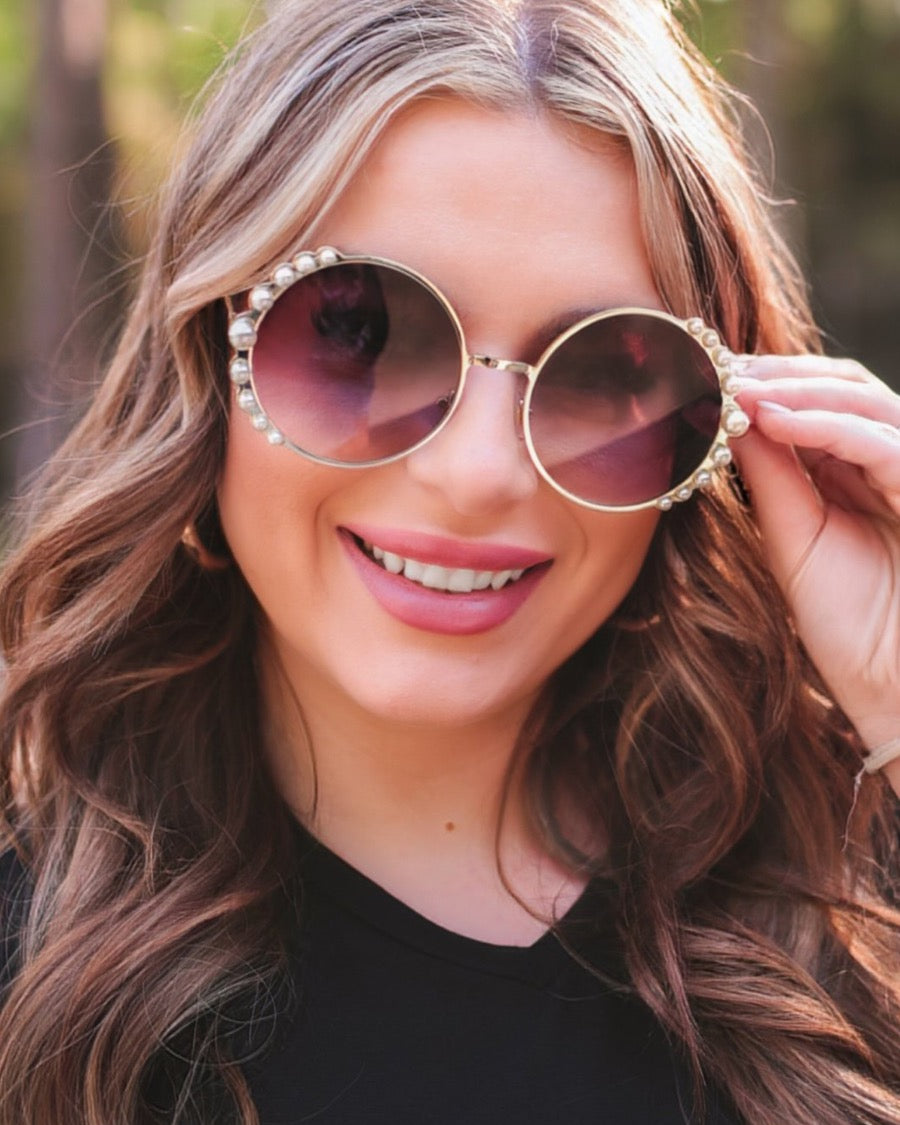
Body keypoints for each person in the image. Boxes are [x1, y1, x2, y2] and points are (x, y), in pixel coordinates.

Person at [1, 0, 898, 1121]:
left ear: (712, 431)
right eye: (357, 328)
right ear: (204, 358)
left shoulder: (852, 881)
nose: (478, 475)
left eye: (599, 370)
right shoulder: (25, 935)